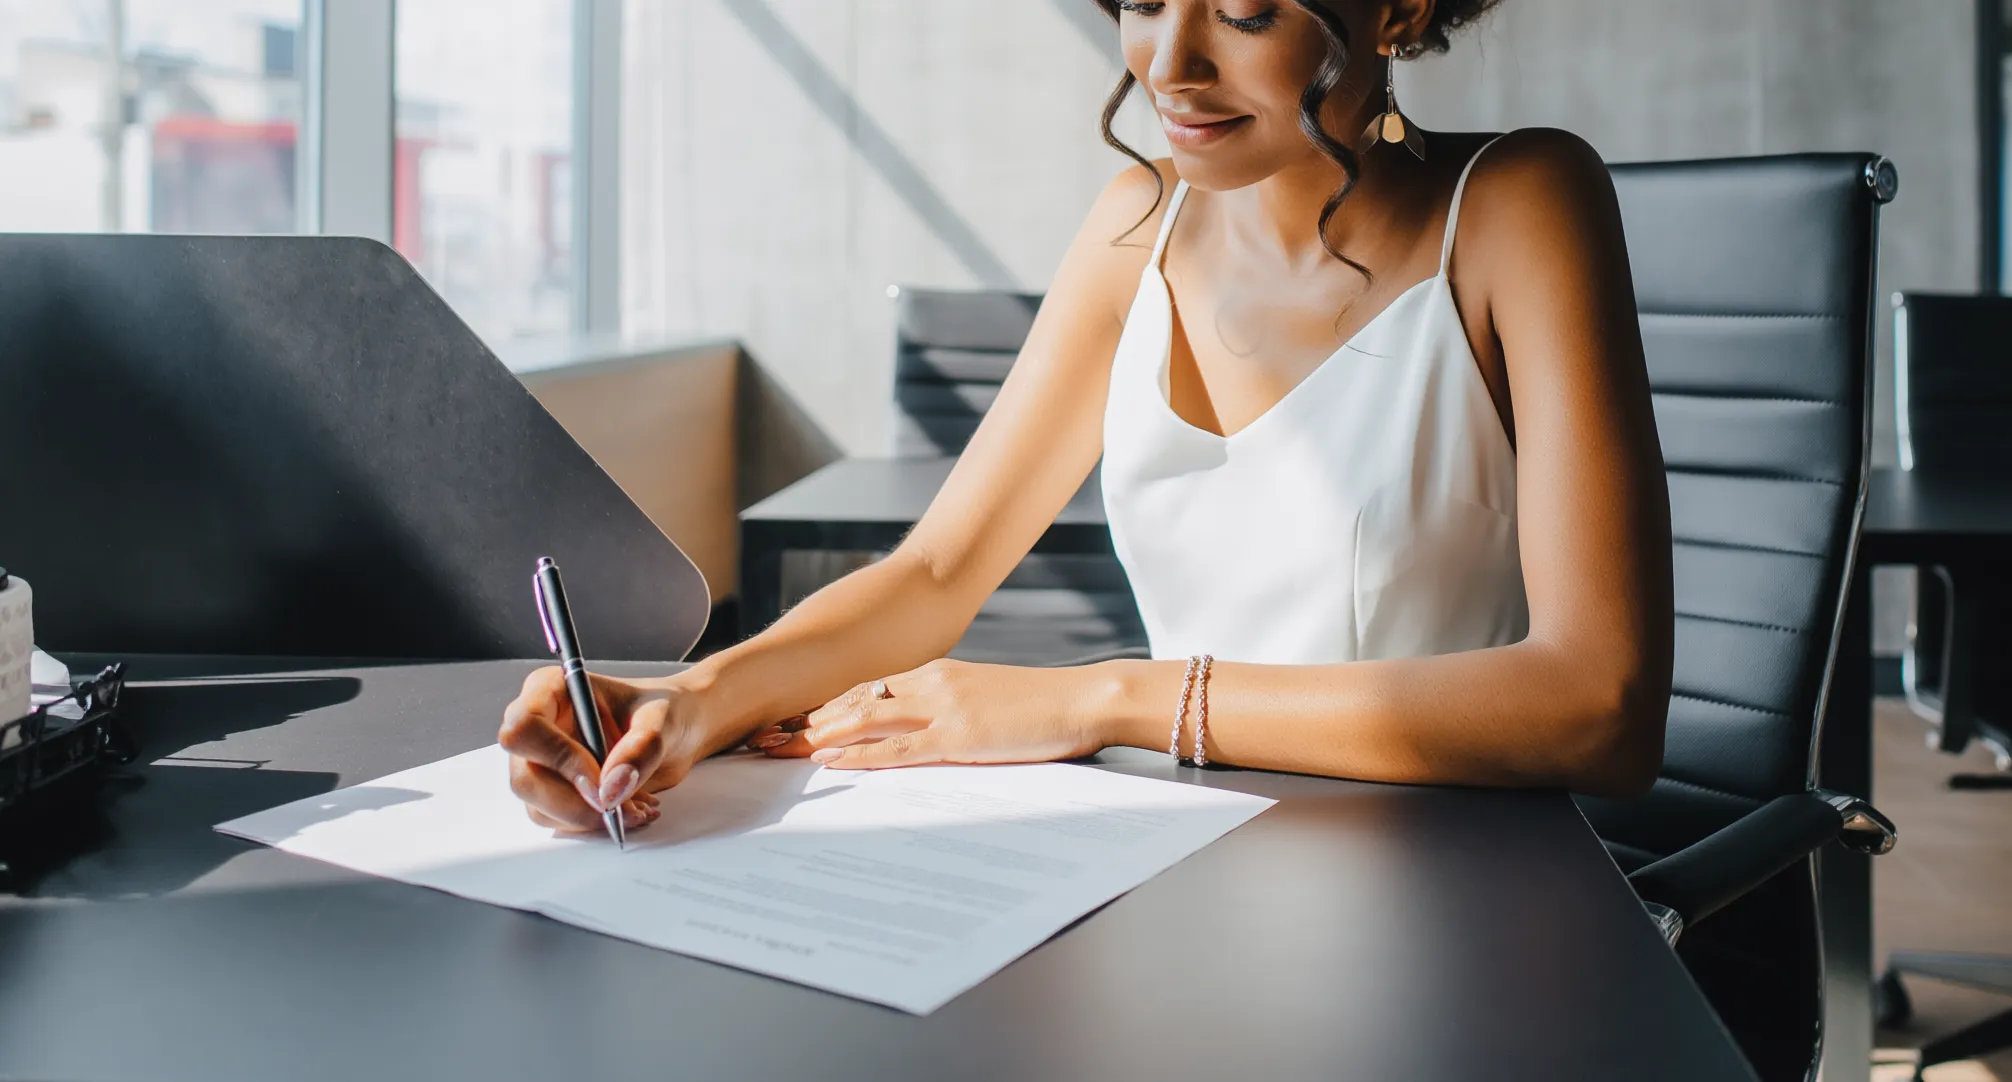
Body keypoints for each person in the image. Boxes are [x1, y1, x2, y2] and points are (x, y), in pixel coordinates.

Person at [500, 0, 1670, 835]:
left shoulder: (1523, 204)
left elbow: (1596, 706)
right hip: (1188, 842)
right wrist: (693, 696)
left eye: (1249, 14)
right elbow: (938, 571)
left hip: (1457, 863)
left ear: (1402, 10)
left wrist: (1097, 694)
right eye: (1147, 1)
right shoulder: (1133, 226)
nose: (1173, 63)